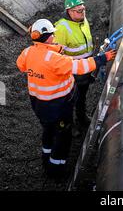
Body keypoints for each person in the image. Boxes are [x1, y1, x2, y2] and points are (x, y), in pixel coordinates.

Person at [16, 19, 116, 179]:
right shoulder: (54, 59)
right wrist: (103, 58)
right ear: (46, 37)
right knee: (62, 137)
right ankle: (56, 170)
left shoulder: (27, 52)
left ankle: (45, 159)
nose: (54, 36)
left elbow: (21, 65)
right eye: (52, 34)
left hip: (39, 105)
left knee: (48, 132)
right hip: (58, 106)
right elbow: (80, 67)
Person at [53, 0, 95, 128]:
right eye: (79, 10)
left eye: (83, 9)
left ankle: (81, 118)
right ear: (69, 11)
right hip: (71, 73)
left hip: (85, 69)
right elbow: (55, 56)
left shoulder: (83, 20)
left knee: (81, 97)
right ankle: (68, 126)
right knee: (68, 101)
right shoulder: (61, 28)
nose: (83, 12)